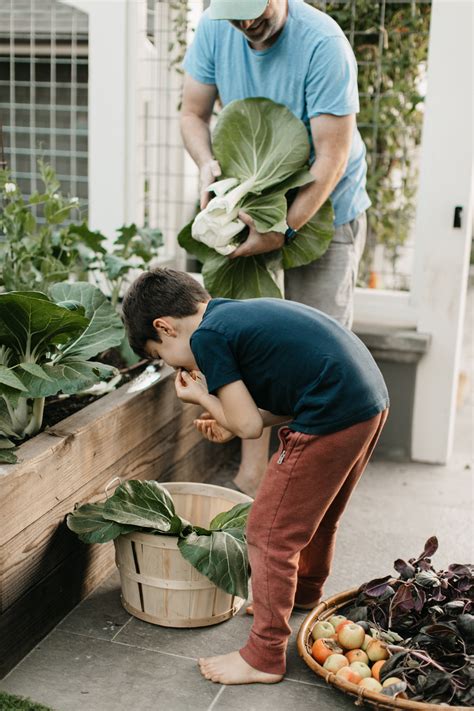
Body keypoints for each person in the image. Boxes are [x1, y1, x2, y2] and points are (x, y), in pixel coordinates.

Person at [121, 267, 389, 685]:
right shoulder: (229, 315)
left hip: (334, 409)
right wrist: (227, 417)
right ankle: (302, 592)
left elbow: (247, 427)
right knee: (318, 516)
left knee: (268, 533)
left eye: (160, 355)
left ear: (164, 327)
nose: (168, 363)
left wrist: (202, 397)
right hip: (364, 397)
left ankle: (264, 655)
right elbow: (269, 408)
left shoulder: (207, 338)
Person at [180, 0, 371, 497]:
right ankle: (251, 477)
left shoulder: (323, 44)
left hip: (324, 205)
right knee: (247, 339)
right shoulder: (214, 31)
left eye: (255, 8)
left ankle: (312, 486)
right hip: (254, 203)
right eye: (234, 14)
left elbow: (332, 155)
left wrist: (283, 229)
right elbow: (193, 113)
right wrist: (206, 165)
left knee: (320, 352)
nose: (247, 24)